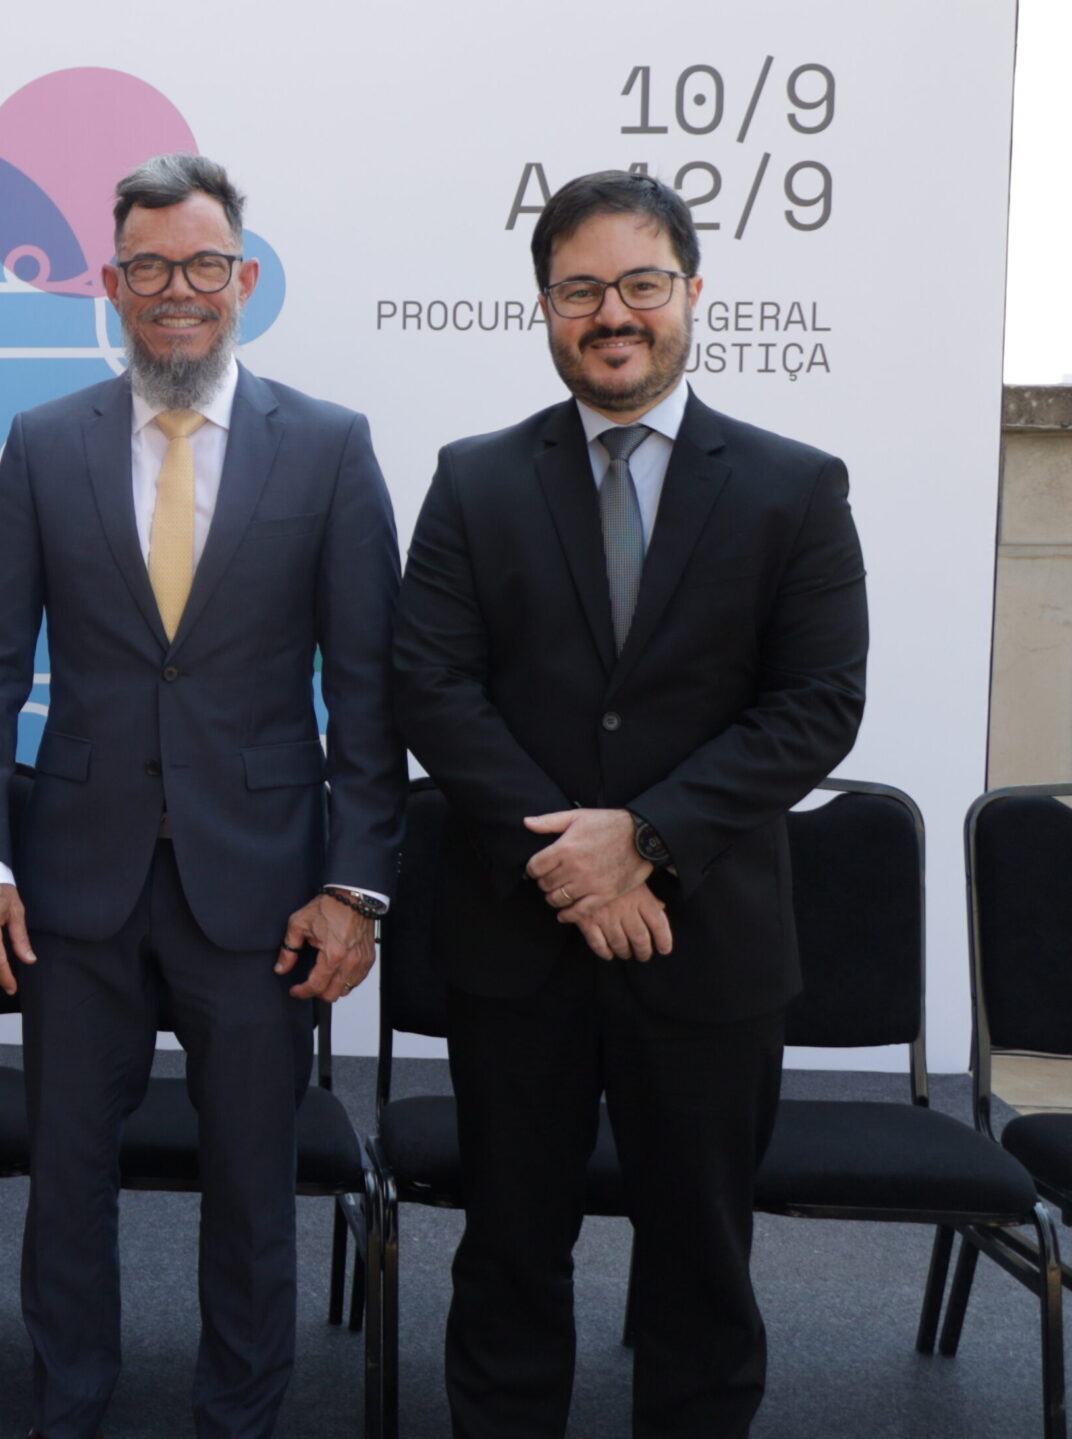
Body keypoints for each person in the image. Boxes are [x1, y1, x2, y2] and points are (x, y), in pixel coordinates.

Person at [392, 168, 868, 1439]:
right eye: (580, 288)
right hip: (517, 943)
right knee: (504, 1255)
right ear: (544, 307)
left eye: (640, 284)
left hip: (704, 945)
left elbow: (817, 704)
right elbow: (430, 686)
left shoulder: (792, 486)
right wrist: (569, 859)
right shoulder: (472, 479)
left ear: (691, 293)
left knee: (701, 1268)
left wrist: (641, 838)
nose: (614, 312)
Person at [0, 153, 403, 1439]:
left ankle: (237, 1416)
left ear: (244, 280)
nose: (177, 291)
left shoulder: (327, 446)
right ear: (111, 284)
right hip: (73, 883)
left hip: (262, 888)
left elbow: (369, 693)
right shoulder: (43, 444)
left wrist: (356, 883)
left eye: (203, 266)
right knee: (65, 1183)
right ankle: (68, 1408)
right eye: (149, 268)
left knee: (253, 1185)